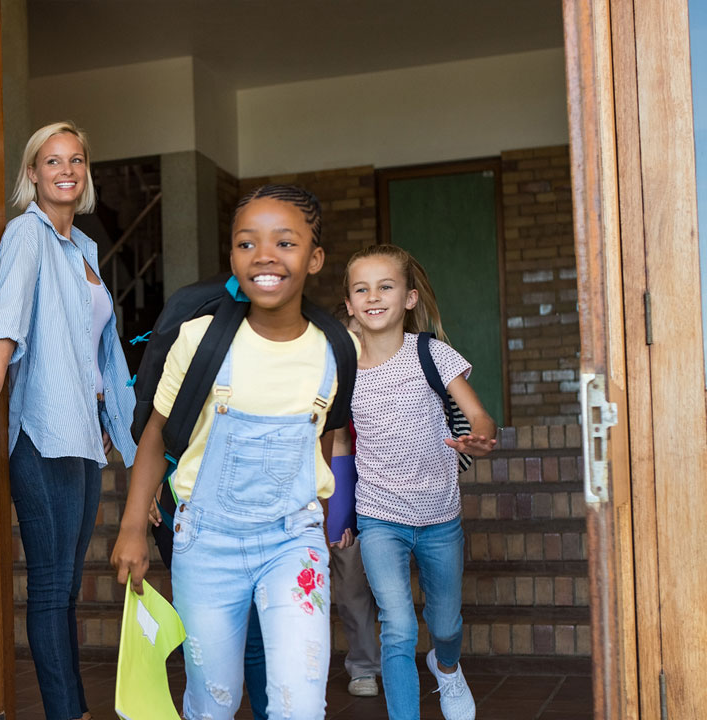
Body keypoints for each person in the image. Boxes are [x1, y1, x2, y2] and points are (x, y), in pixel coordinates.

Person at [113, 184, 359, 720]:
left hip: (293, 543)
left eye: (285, 243)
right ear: (231, 256)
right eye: (247, 244)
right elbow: (155, 433)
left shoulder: (337, 349)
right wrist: (133, 526)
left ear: (314, 258)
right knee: (212, 702)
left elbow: (325, 435)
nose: (265, 256)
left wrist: (326, 511)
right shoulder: (201, 338)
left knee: (300, 704)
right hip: (206, 544)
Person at [0, 120, 137, 720]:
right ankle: (65, 712)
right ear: (33, 173)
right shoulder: (27, 235)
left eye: (76, 161)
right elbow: (10, 313)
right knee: (52, 587)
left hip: (82, 431)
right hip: (42, 430)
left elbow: (97, 346)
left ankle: (71, 707)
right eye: (53, 162)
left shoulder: (83, 248)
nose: (66, 171)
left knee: (69, 587)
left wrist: (111, 415)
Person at [343, 244, 498, 720]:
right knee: (398, 628)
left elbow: (479, 417)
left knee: (445, 625)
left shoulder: (431, 353)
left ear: (409, 298)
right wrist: (336, 512)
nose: (373, 296)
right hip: (379, 518)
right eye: (361, 289)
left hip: (439, 516)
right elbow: (335, 444)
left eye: (385, 286)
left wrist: (479, 439)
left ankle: (447, 669)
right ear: (348, 303)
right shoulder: (341, 368)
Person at [326, 308, 382, 698]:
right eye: (350, 339)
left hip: (370, 492)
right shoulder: (326, 380)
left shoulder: (385, 380)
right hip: (325, 487)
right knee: (340, 585)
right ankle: (358, 666)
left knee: (360, 587)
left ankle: (371, 664)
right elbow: (336, 443)